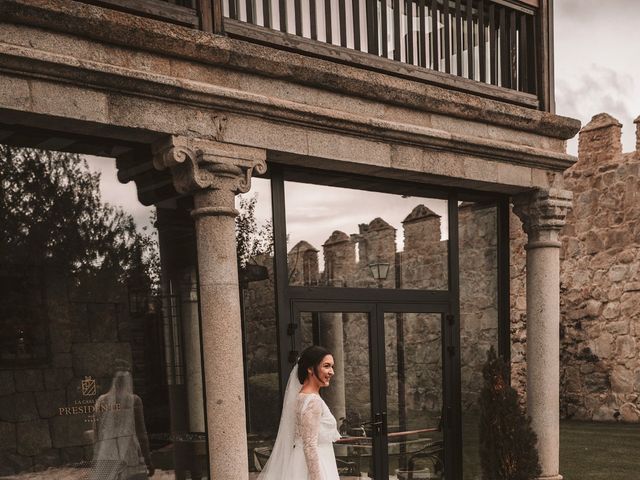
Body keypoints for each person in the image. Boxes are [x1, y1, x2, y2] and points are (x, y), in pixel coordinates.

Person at [258, 345, 341, 480]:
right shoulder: (313, 401)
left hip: (302, 461)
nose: (331, 372)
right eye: (326, 366)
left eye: (332, 366)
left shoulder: (301, 397)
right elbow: (309, 445)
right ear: (310, 368)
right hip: (316, 466)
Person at [91, 360, 154, 480]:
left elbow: (97, 433)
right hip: (129, 453)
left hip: (108, 452)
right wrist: (147, 459)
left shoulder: (101, 400)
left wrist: (96, 456)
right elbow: (142, 434)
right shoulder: (134, 400)